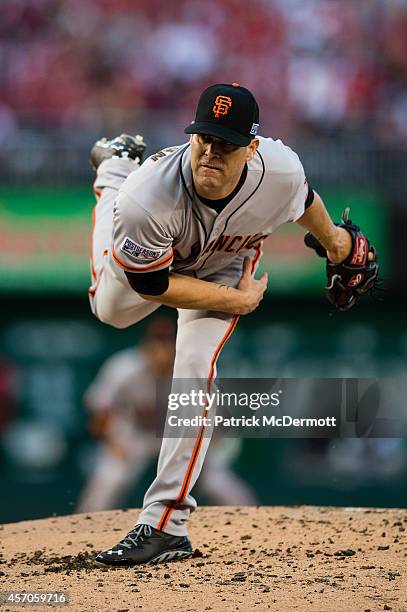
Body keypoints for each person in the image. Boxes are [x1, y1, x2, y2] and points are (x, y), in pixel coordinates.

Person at [89, 83, 353, 566]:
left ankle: (164, 524)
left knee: (194, 365)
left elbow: (304, 199)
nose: (211, 151)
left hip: (224, 262)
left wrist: (336, 244)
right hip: (160, 268)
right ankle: (113, 171)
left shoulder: (279, 169)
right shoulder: (148, 197)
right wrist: (235, 300)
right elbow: (153, 288)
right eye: (203, 138)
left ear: (251, 147)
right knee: (111, 311)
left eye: (225, 142)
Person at [77, 316, 256, 513]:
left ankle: (250, 517)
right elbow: (99, 409)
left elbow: (216, 413)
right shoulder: (124, 367)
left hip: (180, 434)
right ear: (146, 344)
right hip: (136, 434)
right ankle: (86, 523)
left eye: (167, 342)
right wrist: (113, 443)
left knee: (216, 479)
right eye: (156, 342)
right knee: (111, 475)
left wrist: (208, 446)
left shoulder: (193, 368)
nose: (161, 349)